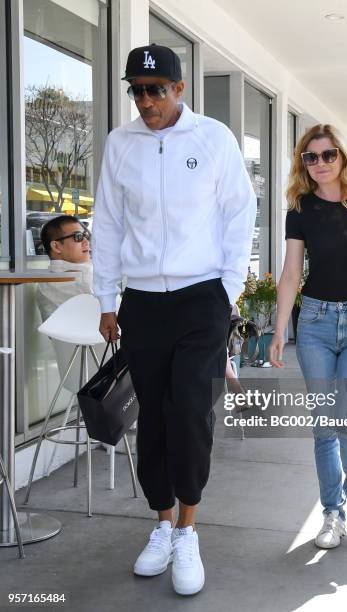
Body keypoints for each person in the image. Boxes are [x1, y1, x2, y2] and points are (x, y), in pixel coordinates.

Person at [92, 44, 256, 596]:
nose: (145, 100)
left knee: (189, 409)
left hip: (200, 298)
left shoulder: (212, 140)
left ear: (180, 89)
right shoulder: (121, 144)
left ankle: (188, 528)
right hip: (141, 300)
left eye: (155, 89)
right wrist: (106, 299)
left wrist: (227, 290)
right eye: (136, 89)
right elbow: (109, 223)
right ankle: (160, 524)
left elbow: (240, 213)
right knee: (154, 420)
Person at [269, 124, 347, 549]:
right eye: (311, 157)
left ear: (342, 156)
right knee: (325, 425)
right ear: (302, 163)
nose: (320, 163)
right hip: (316, 325)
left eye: (328, 155)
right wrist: (278, 329)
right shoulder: (300, 209)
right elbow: (291, 273)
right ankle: (332, 514)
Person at [36, 215, 92, 321]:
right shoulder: (79, 277)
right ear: (56, 246)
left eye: (86, 236)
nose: (86, 242)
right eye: (78, 237)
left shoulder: (47, 281)